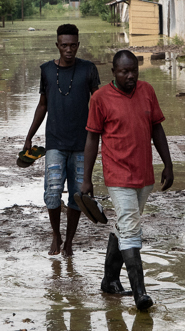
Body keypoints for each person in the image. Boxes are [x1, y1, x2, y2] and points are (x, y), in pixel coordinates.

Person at [81, 49, 174, 311]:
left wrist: (168, 164)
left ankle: (110, 281)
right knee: (131, 228)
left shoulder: (147, 91)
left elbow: (157, 128)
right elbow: (92, 138)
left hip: (144, 175)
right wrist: (86, 179)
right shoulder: (100, 98)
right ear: (114, 72)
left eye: (134, 70)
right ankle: (140, 294)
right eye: (124, 71)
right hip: (117, 175)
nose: (131, 76)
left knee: (124, 225)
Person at [23, 22, 100, 256]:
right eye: (64, 45)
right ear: (57, 45)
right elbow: (42, 105)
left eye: (73, 45)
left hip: (82, 144)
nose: (69, 50)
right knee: (52, 192)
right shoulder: (46, 70)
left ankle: (69, 242)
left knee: (78, 195)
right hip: (55, 143)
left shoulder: (88, 69)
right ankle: (56, 234)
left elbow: (99, 104)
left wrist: (107, 135)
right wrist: (29, 136)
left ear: (78, 45)